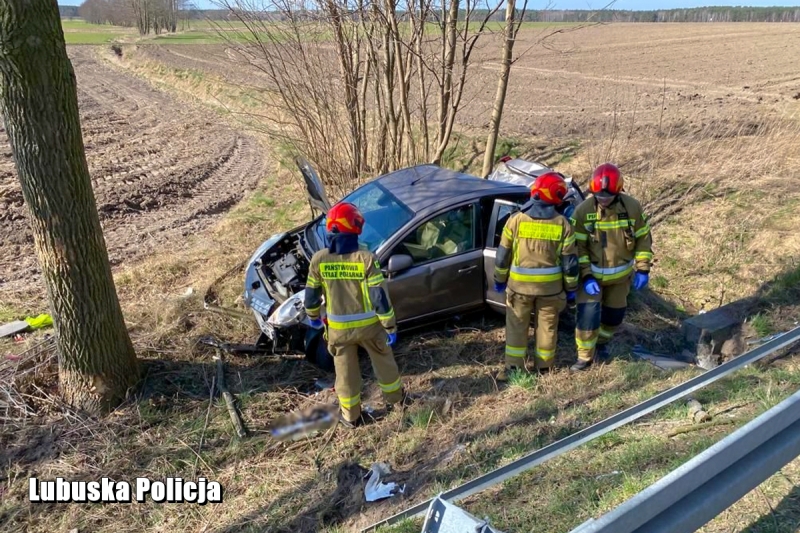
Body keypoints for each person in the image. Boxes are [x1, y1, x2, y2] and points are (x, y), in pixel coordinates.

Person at [303, 202, 403, 427]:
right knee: (384, 363)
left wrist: (313, 317)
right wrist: (389, 326)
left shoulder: (319, 260)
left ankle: (351, 417)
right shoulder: (365, 258)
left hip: (339, 331)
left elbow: (311, 295)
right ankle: (396, 401)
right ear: (354, 228)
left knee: (345, 373)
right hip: (370, 328)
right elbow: (379, 297)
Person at [493, 172, 579, 378]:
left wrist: (499, 280)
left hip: (519, 289)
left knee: (516, 327)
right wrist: (571, 289)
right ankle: (545, 368)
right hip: (551, 290)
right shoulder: (563, 224)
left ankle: (514, 369)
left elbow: (502, 256)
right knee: (547, 328)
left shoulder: (515, 220)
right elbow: (570, 265)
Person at [570, 163, 654, 372]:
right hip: (591, 280)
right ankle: (584, 358)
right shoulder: (583, 212)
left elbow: (643, 238)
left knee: (614, 316)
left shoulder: (631, 207)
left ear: (618, 192)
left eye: (607, 196)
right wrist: (586, 277)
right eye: (599, 195)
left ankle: (602, 344)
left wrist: (643, 269)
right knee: (588, 318)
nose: (603, 199)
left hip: (620, 279)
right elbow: (577, 248)